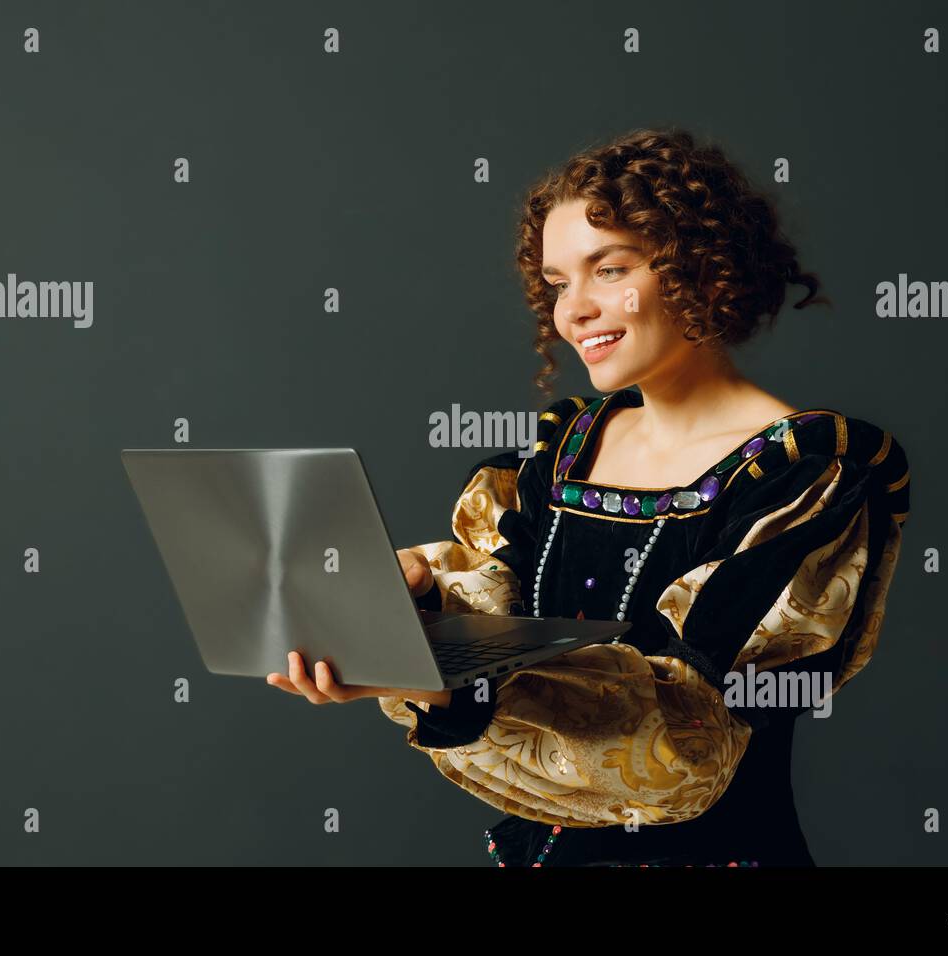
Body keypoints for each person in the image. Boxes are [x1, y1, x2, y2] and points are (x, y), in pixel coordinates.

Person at [265, 128, 911, 867]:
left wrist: (434, 674)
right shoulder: (561, 451)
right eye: (557, 282)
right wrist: (408, 612)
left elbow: (688, 730)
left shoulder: (805, 474)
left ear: (699, 265)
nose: (573, 311)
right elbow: (498, 611)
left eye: (609, 269)